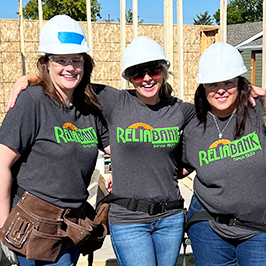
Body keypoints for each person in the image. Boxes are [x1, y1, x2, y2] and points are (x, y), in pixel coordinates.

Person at [6, 36, 195, 266]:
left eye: (154, 71)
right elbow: (69, 78)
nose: (146, 78)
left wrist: (247, 88)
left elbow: (218, 112)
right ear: (128, 77)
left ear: (164, 71)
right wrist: (28, 78)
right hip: (128, 217)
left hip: (169, 217)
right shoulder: (114, 100)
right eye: (137, 73)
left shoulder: (182, 110)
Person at [0, 15, 109, 266]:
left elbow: (118, 149)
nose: (69, 67)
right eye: (60, 60)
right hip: (32, 226)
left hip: (71, 226)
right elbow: (2, 163)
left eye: (76, 60)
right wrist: (3, 226)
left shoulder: (89, 105)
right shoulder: (32, 102)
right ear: (46, 63)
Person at [180, 42, 266, 266]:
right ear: (203, 87)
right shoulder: (194, 127)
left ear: (240, 82)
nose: (220, 89)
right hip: (209, 226)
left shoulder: (259, 112)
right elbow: (177, 167)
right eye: (212, 83)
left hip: (259, 228)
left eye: (228, 82)